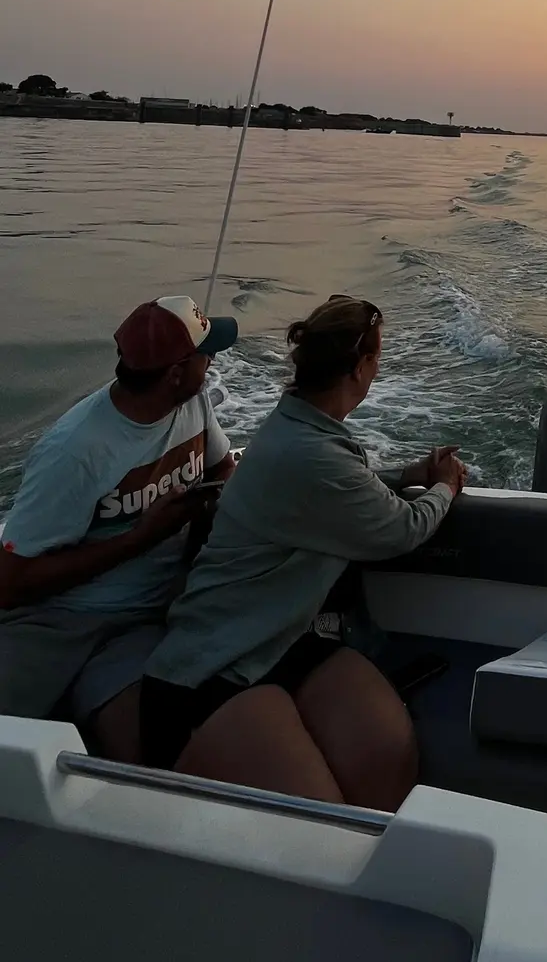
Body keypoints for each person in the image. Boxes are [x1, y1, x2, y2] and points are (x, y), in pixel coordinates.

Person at [140, 294, 466, 811]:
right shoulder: (312, 452)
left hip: (285, 638)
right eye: (376, 360)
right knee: (319, 822)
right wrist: (445, 487)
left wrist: (408, 475)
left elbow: (338, 488)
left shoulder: (296, 429)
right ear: (360, 368)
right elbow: (400, 528)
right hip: (215, 666)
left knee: (387, 755)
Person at [0, 296, 239, 758]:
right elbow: (9, 584)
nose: (212, 364)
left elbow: (222, 471)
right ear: (175, 372)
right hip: (56, 622)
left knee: (154, 753)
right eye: (206, 354)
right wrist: (140, 539)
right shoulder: (75, 452)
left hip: (145, 620)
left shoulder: (193, 406)